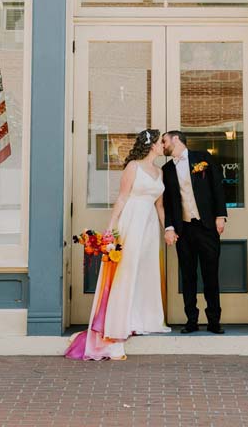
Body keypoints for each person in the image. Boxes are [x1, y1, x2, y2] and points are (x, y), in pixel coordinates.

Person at [64, 129, 170, 360]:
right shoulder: (133, 167)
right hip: (131, 220)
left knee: (146, 269)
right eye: (161, 142)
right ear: (151, 145)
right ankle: (123, 319)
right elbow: (122, 197)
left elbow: (160, 206)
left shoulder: (160, 172)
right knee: (127, 270)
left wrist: (167, 230)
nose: (164, 146)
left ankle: (146, 318)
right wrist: (111, 228)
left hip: (150, 224)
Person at [161, 130, 227, 334]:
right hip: (184, 229)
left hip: (207, 227)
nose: (162, 146)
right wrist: (169, 227)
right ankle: (191, 321)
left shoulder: (203, 158)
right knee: (188, 277)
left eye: (164, 141)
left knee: (210, 276)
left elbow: (217, 186)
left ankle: (214, 321)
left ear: (175, 139)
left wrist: (220, 215)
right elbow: (169, 203)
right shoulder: (166, 169)